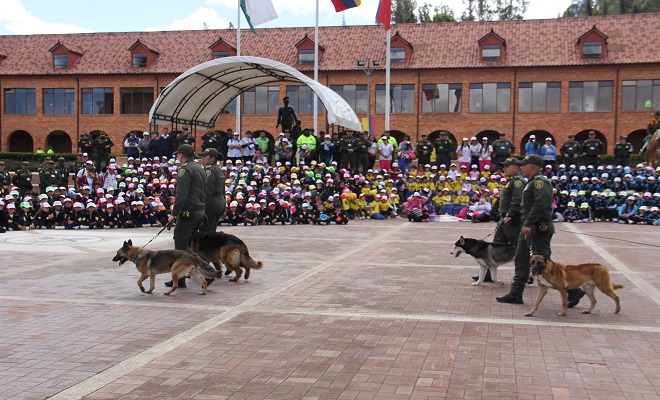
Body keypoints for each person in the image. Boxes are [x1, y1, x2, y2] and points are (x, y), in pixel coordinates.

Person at [496, 155, 584, 306]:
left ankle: (574, 290)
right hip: (529, 227)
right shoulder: (531, 182)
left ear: (532, 166)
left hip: (538, 228)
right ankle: (516, 293)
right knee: (521, 258)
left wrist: (528, 223)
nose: (521, 168)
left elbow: (540, 205)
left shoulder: (540, 183)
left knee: (544, 263)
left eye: (523, 165)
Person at [164, 144, 212, 289]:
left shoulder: (184, 169)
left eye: (178, 155)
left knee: (181, 246)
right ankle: (180, 278)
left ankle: (208, 271)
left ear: (181, 155)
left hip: (188, 212)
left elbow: (181, 195)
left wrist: (173, 214)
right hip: (199, 210)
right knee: (186, 244)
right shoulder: (199, 168)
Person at [198, 148, 226, 233]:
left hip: (212, 203)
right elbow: (223, 189)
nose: (202, 158)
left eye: (205, 156)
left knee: (206, 232)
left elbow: (208, 190)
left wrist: (203, 207)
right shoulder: (218, 169)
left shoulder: (209, 170)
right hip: (220, 201)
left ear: (212, 158)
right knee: (212, 231)